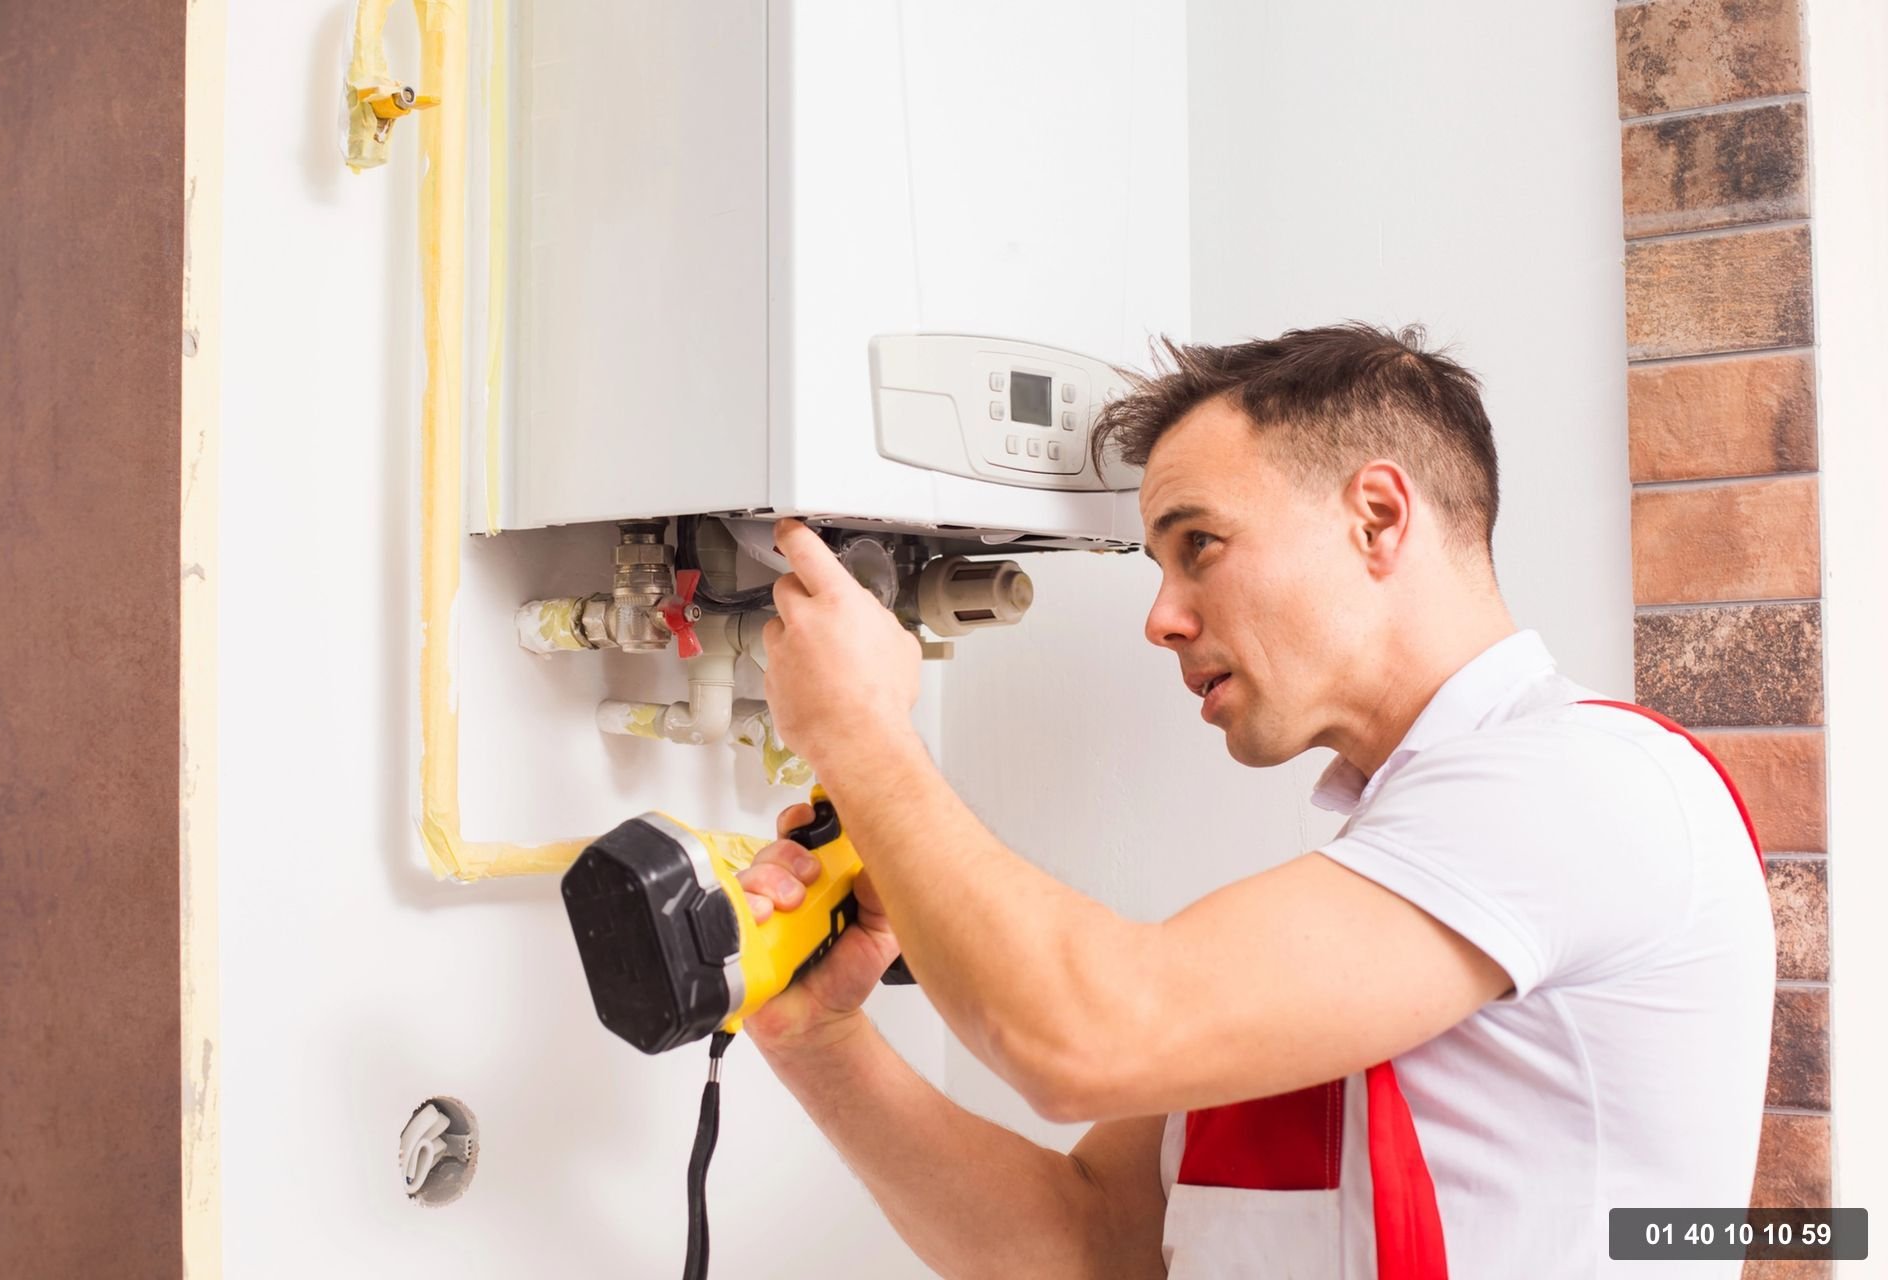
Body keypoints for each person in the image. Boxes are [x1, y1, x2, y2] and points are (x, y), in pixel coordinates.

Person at [739, 323, 1774, 1277]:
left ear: (1377, 519)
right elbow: (1091, 1239)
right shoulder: (1377, 890)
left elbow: (1085, 1035)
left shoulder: (1581, 783)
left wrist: (862, 734)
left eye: (1200, 544)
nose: (1160, 619)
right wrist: (821, 1040)